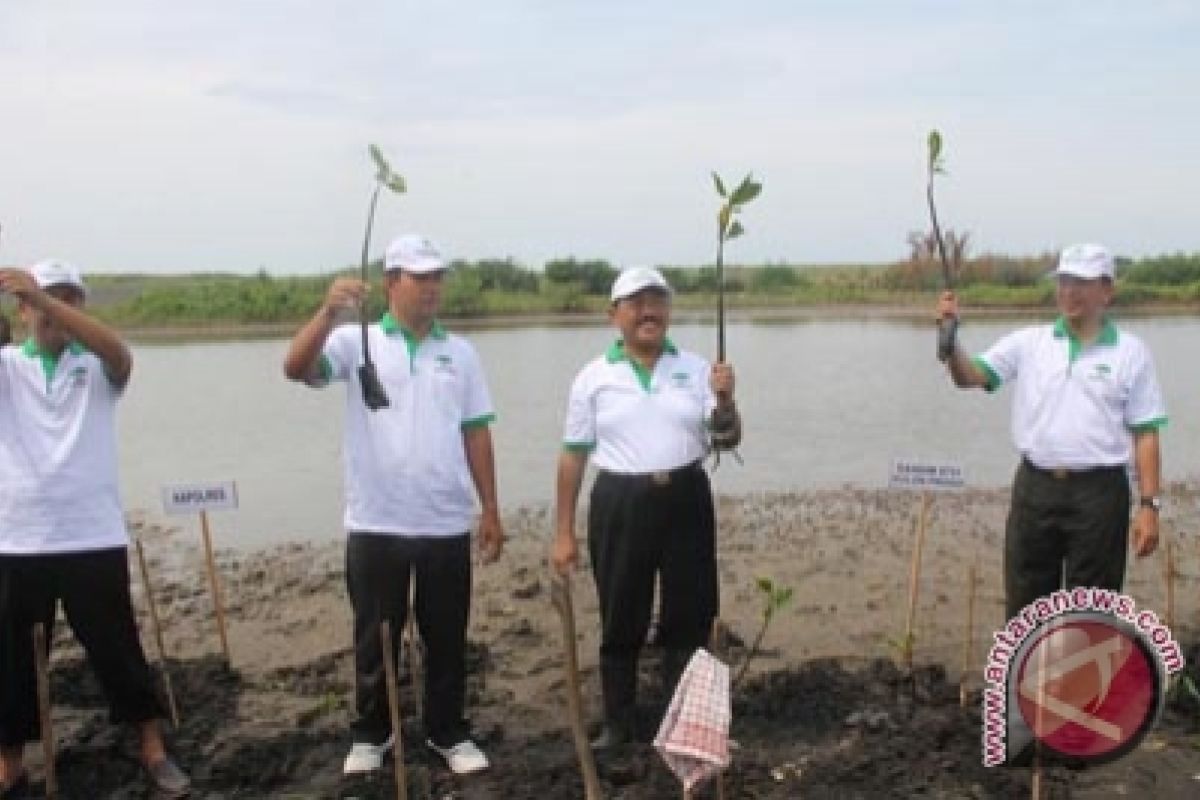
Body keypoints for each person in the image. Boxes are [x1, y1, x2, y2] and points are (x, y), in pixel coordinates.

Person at [283, 233, 502, 777]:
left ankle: (447, 731)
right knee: (375, 633)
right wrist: (327, 313)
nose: (431, 287)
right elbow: (295, 369)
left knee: (447, 635)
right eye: (418, 277)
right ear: (391, 282)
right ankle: (372, 733)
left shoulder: (461, 352)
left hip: (445, 521)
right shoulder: (355, 342)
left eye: (437, 277)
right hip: (376, 519)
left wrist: (490, 508)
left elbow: (476, 432)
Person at [0, 260, 189, 798]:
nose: (56, 307)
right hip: (18, 538)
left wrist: (43, 299)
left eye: (69, 298)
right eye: (41, 298)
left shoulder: (99, 366)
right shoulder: (8, 365)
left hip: (92, 535)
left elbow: (120, 354)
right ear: (19, 311)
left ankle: (152, 746)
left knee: (117, 648)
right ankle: (10, 760)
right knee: (12, 657)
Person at [551, 265, 741, 749]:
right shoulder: (593, 378)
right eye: (635, 304)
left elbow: (728, 438)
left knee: (692, 614)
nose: (648, 312)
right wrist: (563, 532)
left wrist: (725, 403)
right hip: (620, 501)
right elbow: (573, 455)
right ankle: (619, 723)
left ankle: (690, 725)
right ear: (614, 314)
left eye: (657, 302)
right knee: (622, 615)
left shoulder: (699, 369)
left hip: (685, 498)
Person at [937, 243, 1166, 619]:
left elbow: (1147, 433)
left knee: (1092, 609)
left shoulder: (1130, 352)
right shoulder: (1029, 343)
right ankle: (1024, 678)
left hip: (1101, 494)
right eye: (1063, 281)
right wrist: (950, 339)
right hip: (1035, 488)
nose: (1069, 291)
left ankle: (1081, 679)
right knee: (1025, 602)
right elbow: (970, 376)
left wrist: (1149, 506)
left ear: (1106, 291)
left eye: (1081, 282)